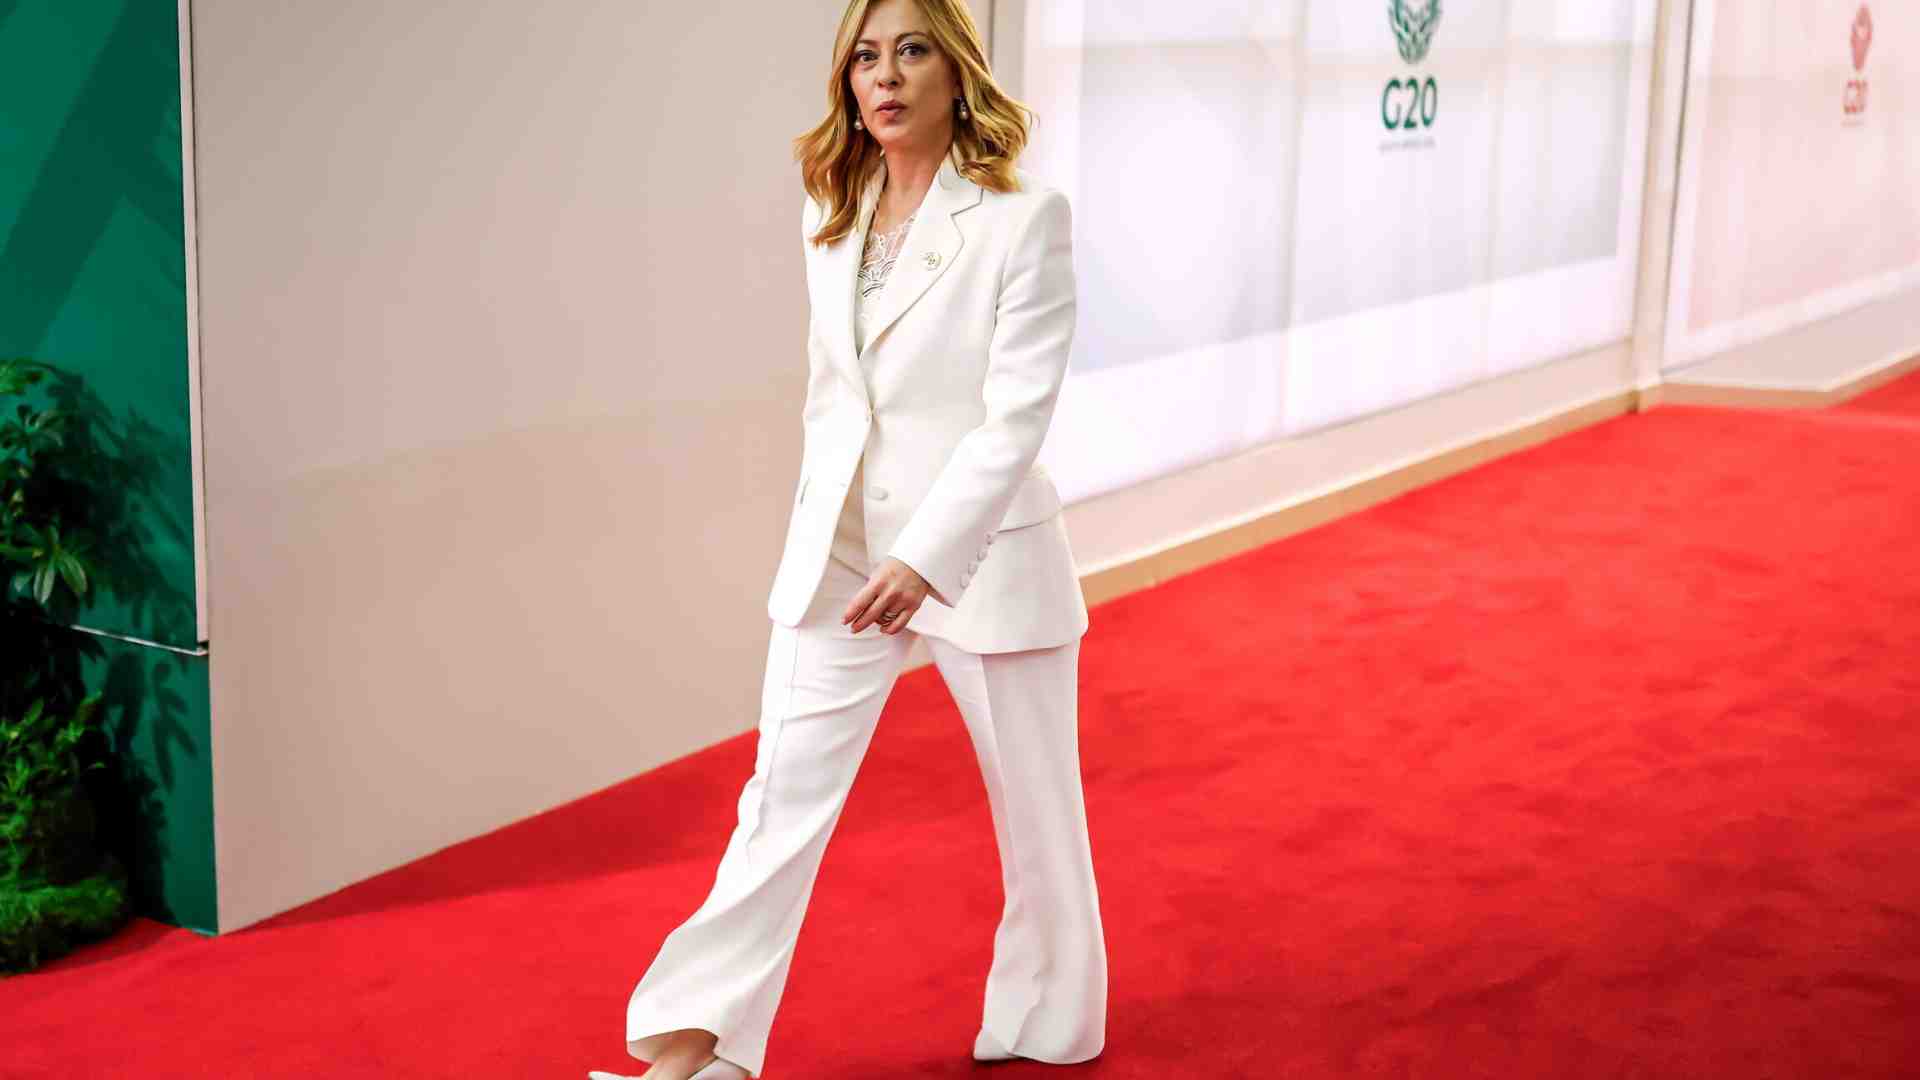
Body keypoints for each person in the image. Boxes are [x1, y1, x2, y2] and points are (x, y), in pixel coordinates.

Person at [591, 2, 1103, 1077]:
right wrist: (844, 529)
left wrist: (926, 555)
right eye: (866, 57)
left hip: (984, 557)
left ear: (957, 72)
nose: (887, 76)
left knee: (1038, 820)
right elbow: (837, 395)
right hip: (843, 554)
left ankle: (1049, 1018)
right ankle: (698, 1046)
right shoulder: (831, 204)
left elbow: (1016, 417)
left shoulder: (1024, 218)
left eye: (912, 51)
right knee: (777, 801)